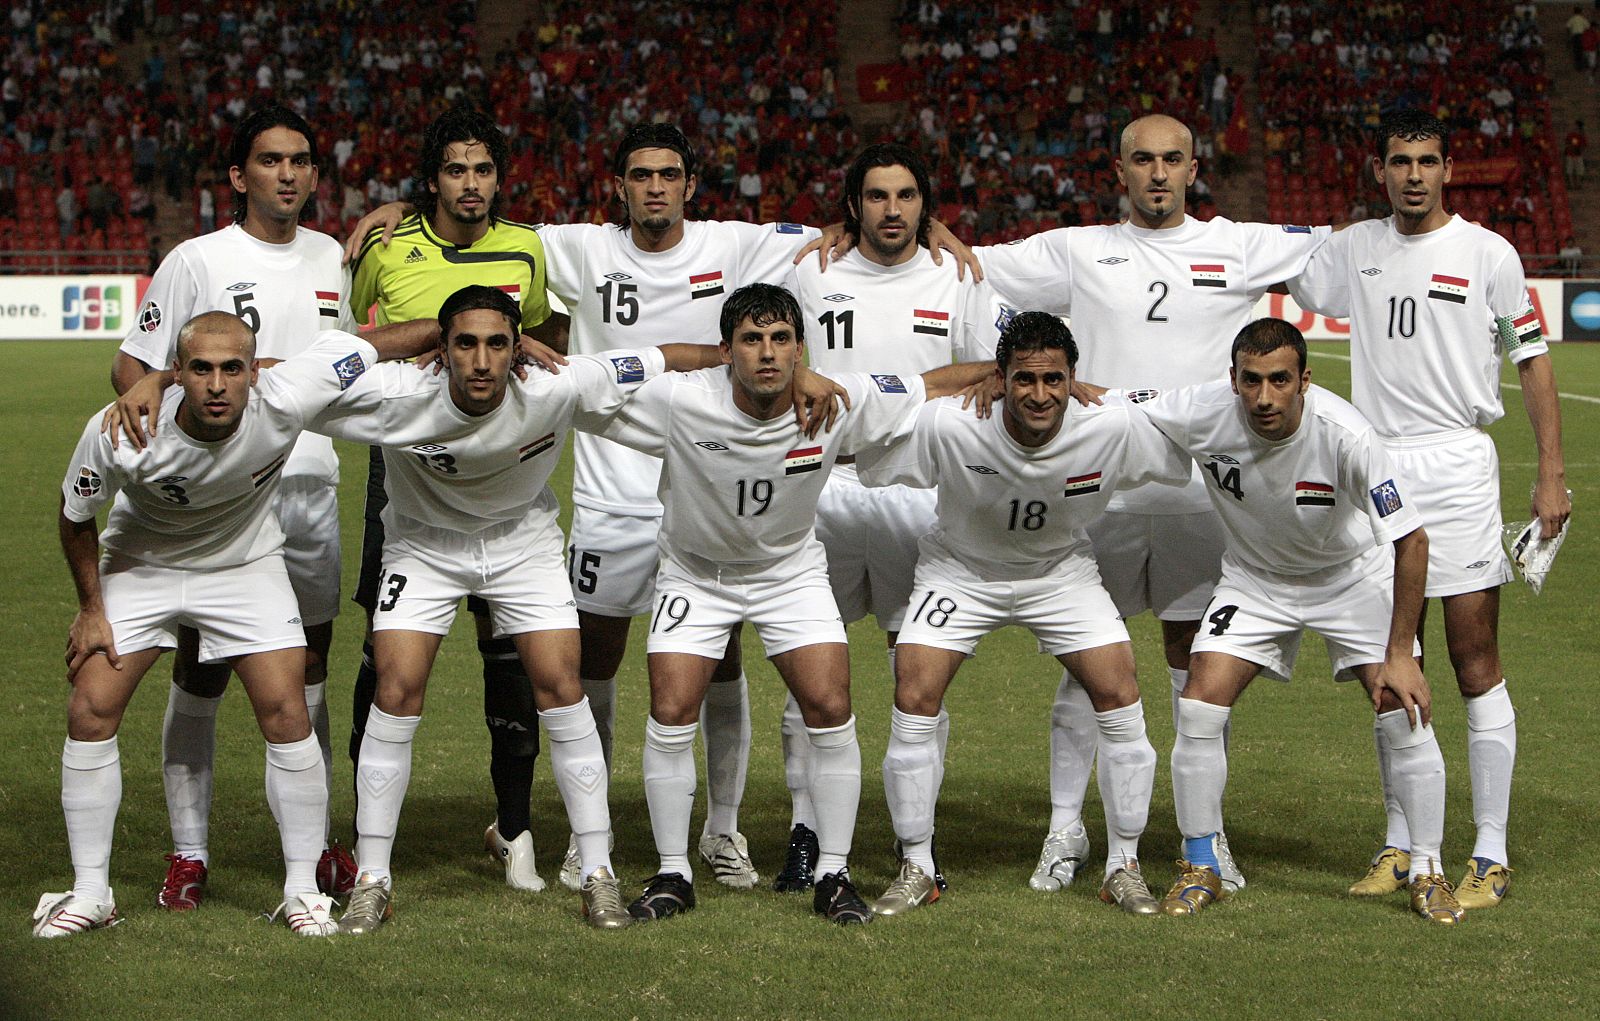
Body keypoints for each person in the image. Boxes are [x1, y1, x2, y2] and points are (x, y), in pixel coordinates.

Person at [295, 286, 735, 933]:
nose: (481, 360)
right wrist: (414, 332)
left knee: (561, 686)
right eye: (464, 343)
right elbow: (294, 376)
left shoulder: (558, 383)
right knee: (396, 686)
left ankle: (598, 871)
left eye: (496, 343)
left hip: (521, 547)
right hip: (424, 548)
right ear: (441, 352)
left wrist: (786, 370)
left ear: (519, 348)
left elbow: (669, 356)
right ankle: (373, 877)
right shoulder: (397, 393)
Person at [972, 114, 1333, 894]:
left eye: (1173, 159)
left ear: (1195, 167)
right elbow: (965, 271)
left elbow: (1351, 249)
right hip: (1097, 493)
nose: (1159, 173)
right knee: (1085, 668)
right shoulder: (1074, 249)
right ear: (1119, 169)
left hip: (1203, 500)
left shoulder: (1238, 244)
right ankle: (1065, 828)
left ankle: (1206, 835)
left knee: (1196, 666)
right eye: (1144, 160)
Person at [594, 284, 993, 925]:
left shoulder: (837, 402)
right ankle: (672, 872)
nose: (768, 353)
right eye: (751, 340)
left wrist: (1006, 372)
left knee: (831, 707)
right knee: (670, 710)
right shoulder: (678, 401)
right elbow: (586, 389)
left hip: (790, 574)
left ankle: (833, 874)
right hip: (697, 576)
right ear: (726, 351)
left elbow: (928, 385)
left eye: (781, 339)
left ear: (800, 349)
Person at [38, 312, 420, 939]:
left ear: (256, 370)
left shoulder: (290, 390)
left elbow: (390, 341)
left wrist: (512, 340)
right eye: (201, 369)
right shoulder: (121, 431)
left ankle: (301, 893)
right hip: (143, 562)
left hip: (245, 565)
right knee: (90, 708)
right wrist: (91, 609)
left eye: (232, 368)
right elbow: (75, 512)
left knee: (288, 713)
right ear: (178, 375)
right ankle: (90, 891)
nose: (218, 384)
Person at [1289, 110, 1569, 910]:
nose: (1413, 175)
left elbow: (1534, 362)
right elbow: (1274, 264)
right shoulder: (1353, 248)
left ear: (1448, 169)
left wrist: (1551, 474)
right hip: (1377, 469)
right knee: (1386, 663)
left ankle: (1489, 850)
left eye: (1427, 161)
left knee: (1471, 655)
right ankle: (1406, 844)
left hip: (1457, 464)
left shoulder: (1491, 254)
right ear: (1378, 170)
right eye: (1399, 162)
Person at [111, 105, 365, 911]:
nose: (286, 174)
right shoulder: (196, 258)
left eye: (300, 161)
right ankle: (190, 851)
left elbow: (344, 360)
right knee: (202, 665)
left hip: (309, 486)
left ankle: (318, 839)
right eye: (268, 160)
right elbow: (134, 367)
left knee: (308, 666)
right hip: (220, 504)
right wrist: (183, 442)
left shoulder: (333, 256)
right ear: (237, 175)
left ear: (315, 175)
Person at [858, 312, 1189, 917]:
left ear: (1073, 380)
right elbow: (872, 453)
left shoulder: (1111, 427)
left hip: (1060, 573)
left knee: (1120, 693)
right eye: (1025, 381)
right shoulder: (950, 424)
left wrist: (1115, 397)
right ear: (1001, 379)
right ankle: (917, 865)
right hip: (960, 571)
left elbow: (1185, 436)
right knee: (914, 693)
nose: (1040, 396)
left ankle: (1124, 865)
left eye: (1055, 381)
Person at [1131, 319, 1456, 924]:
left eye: (1280, 380)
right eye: (1251, 381)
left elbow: (1412, 541)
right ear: (1232, 380)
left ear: (1305, 379)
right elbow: (1117, 403)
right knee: (1200, 703)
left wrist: (1402, 652)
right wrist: (1061, 386)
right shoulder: (1202, 410)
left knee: (1402, 707)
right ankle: (1201, 864)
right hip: (1256, 581)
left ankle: (1429, 870)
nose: (1264, 397)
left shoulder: (1347, 435)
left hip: (1350, 577)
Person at [345, 107, 559, 893]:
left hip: (504, 471)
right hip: (408, 470)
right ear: (430, 179)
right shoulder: (387, 247)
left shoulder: (527, 248)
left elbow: (536, 342)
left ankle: (516, 826)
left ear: (499, 178)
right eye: (455, 170)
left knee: (511, 655)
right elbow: (357, 345)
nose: (470, 185)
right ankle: (366, 832)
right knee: (386, 653)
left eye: (483, 170)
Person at [779, 142, 999, 893]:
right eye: (876, 196)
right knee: (806, 676)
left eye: (907, 196)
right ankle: (804, 833)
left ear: (927, 207)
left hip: (919, 494)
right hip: (824, 491)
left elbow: (993, 370)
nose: (893, 210)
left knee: (920, 673)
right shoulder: (811, 268)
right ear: (852, 207)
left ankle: (919, 846)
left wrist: (899, 393)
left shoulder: (958, 274)